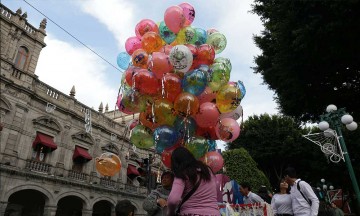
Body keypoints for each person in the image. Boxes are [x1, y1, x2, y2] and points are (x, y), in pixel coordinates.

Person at [166, 147, 220, 216]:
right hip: (214, 213)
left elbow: (173, 200)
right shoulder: (207, 170)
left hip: (191, 213)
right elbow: (216, 191)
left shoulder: (181, 174)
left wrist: (171, 213)